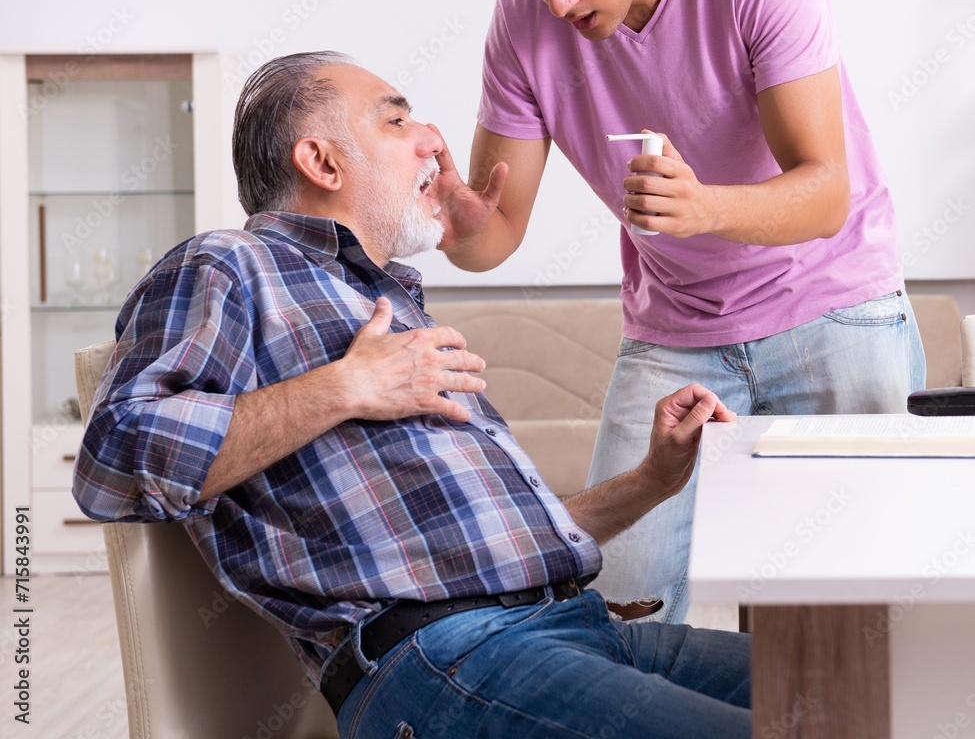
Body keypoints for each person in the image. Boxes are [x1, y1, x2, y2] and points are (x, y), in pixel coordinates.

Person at [72, 51, 751, 739]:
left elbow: (506, 549)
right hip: (446, 662)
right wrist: (347, 386)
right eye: (396, 120)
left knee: (847, 688)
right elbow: (115, 459)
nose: (432, 137)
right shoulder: (228, 263)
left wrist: (652, 480)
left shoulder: (389, 304)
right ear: (322, 162)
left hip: (569, 627)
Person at [433, 0, 926, 624]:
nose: (553, 0)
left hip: (834, 306)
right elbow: (493, 237)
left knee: (865, 617)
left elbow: (825, 190)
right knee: (615, 604)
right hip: (678, 334)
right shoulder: (522, 23)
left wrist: (703, 210)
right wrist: (456, 223)